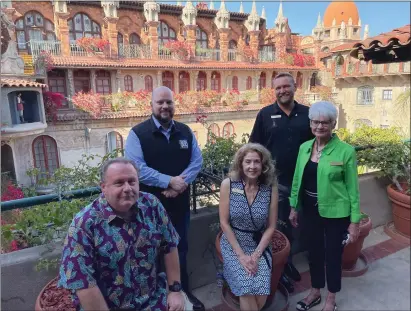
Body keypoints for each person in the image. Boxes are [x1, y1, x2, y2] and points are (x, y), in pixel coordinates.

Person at [58, 158, 186, 311]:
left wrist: (175, 290)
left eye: (132, 181)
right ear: (103, 187)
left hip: (154, 300)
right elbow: (84, 284)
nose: (127, 188)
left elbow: (169, 246)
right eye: (119, 183)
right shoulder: (84, 225)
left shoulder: (151, 205)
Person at [125, 86, 204, 310]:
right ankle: (157, 299)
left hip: (179, 206)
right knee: (150, 253)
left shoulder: (185, 132)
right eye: (160, 102)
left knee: (181, 249)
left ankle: (184, 295)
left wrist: (180, 185)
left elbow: (196, 162)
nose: (165, 106)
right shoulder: (138, 134)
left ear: (174, 104)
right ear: (151, 105)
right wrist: (168, 181)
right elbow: (136, 168)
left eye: (168, 102)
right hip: (148, 210)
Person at [288, 101, 361, 311]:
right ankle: (315, 292)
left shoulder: (345, 151)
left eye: (325, 122)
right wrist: (294, 207)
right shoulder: (304, 148)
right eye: (315, 122)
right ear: (310, 123)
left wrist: (354, 222)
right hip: (310, 210)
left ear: (333, 124)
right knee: (314, 252)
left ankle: (331, 298)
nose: (320, 126)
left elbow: (353, 190)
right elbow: (296, 179)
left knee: (333, 255)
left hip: (336, 213)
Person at [249, 72, 314, 292]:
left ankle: (290, 259)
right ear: (273, 91)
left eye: (286, 86)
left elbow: (320, 142)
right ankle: (283, 265)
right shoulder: (265, 114)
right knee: (278, 225)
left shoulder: (308, 113)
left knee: (300, 222)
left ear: (295, 87)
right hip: (274, 182)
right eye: (278, 88)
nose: (282, 91)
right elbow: (254, 147)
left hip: (305, 181)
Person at [219, 143, 278, 311]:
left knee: (261, 291)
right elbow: (224, 222)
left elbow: (271, 226)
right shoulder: (228, 185)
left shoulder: (270, 188)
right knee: (246, 287)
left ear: (263, 165)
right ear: (241, 164)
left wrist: (257, 255)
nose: (252, 166)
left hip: (259, 245)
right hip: (234, 243)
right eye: (248, 162)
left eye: (257, 162)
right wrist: (242, 256)